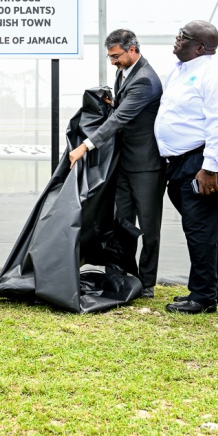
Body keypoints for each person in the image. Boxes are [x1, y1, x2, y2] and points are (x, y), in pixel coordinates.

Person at [68, 29, 164, 297]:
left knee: (148, 227)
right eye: (110, 57)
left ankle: (146, 282)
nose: (112, 62)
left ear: (133, 49)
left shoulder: (145, 80)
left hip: (146, 166)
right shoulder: (124, 71)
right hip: (123, 164)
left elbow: (120, 118)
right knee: (121, 222)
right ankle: (119, 273)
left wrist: (85, 146)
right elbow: (119, 109)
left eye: (116, 56)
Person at [157, 21, 218, 315]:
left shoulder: (214, 76)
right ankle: (211, 289)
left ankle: (202, 297)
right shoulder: (179, 72)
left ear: (200, 47)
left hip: (201, 162)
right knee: (202, 229)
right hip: (178, 163)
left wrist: (209, 168)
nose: (176, 39)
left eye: (183, 37)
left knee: (199, 228)